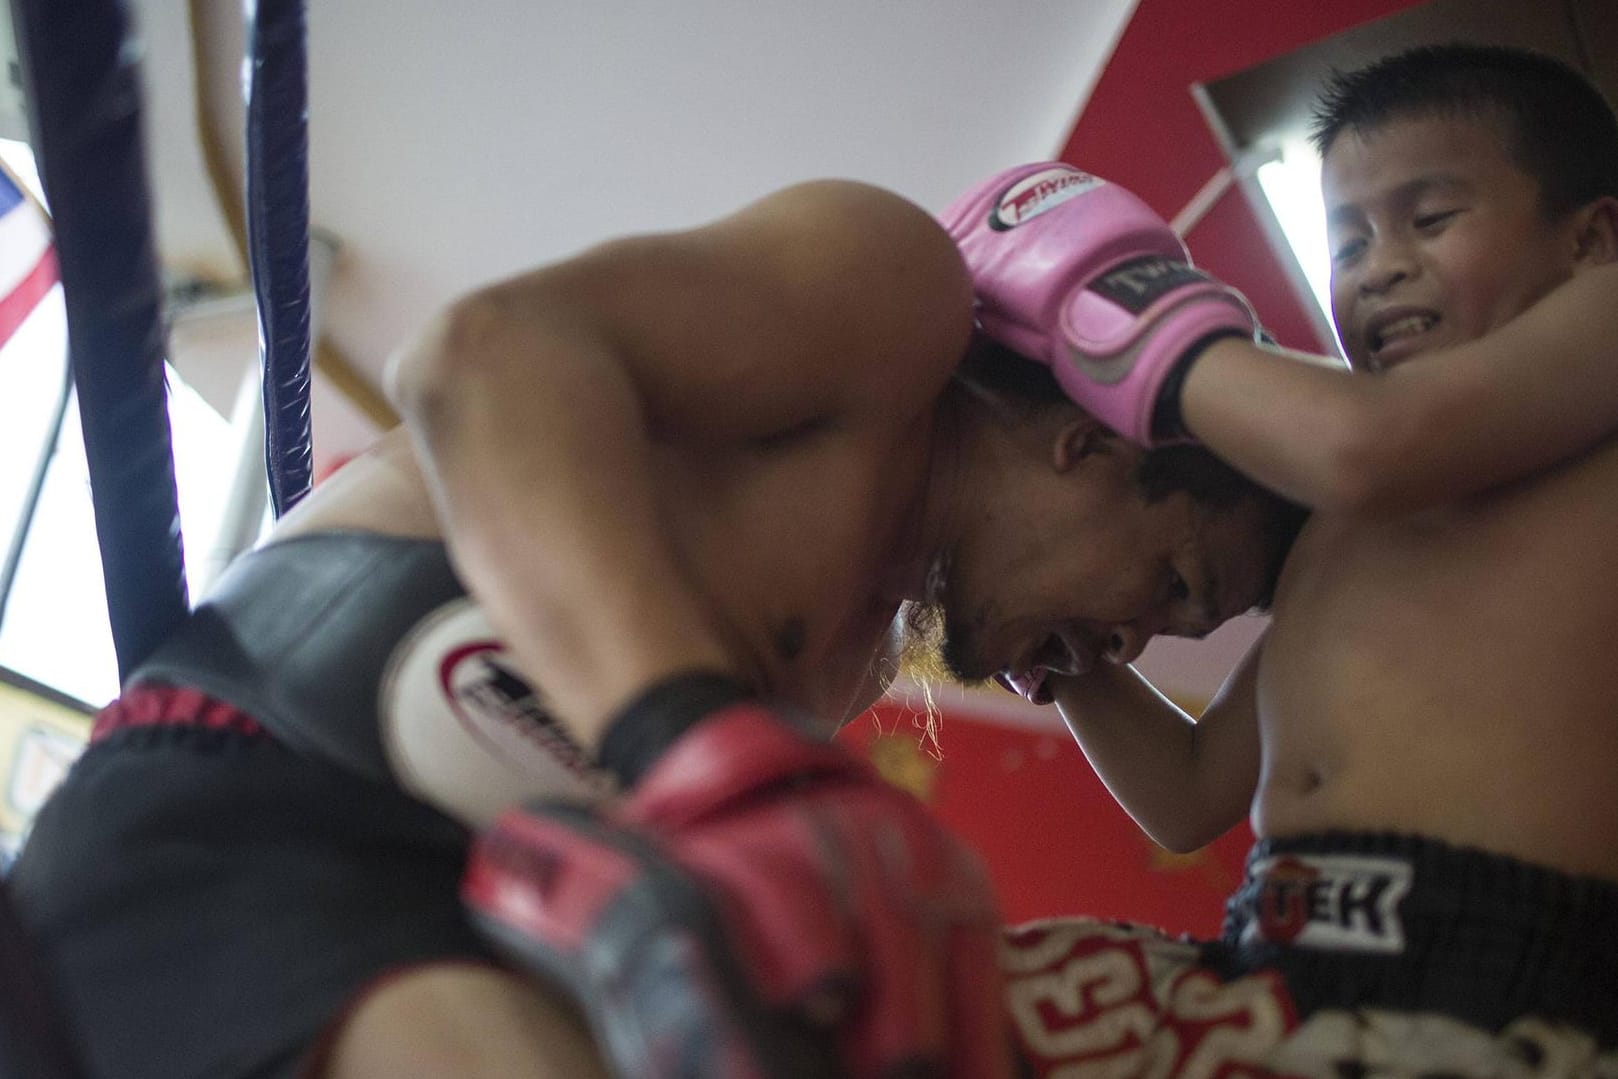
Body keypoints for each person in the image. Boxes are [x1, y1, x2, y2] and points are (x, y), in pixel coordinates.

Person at [8, 170, 1303, 1076]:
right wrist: (689, 735)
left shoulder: (857, 645)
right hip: (253, 811)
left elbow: (1187, 795)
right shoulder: (896, 300)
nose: (1133, 643)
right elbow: (481, 355)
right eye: (1176, 589)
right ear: (1090, 442)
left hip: (428, 915)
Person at [948, 44, 1618, 1073]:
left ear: (1591, 238)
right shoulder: (1350, 526)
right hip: (1272, 954)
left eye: (1429, 219)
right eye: (1343, 241)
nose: (1379, 263)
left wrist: (1106, 306)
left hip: (1497, 974)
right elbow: (1186, 795)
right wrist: (1046, 637)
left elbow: (1370, 444)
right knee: (909, 1001)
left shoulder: (1592, 337)